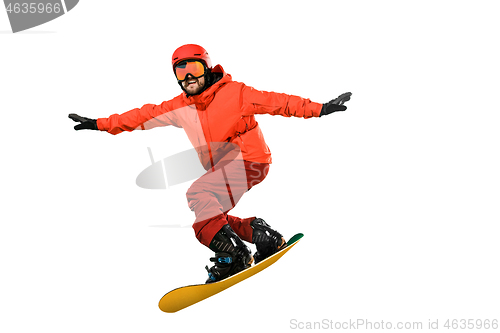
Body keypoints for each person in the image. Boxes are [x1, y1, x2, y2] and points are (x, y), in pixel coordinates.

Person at [69, 44, 351, 283]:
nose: (188, 75)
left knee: (198, 194)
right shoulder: (180, 107)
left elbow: (278, 102)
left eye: (193, 67)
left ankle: (233, 256)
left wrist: (320, 109)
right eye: (180, 70)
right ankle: (262, 235)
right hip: (227, 170)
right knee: (212, 215)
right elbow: (142, 116)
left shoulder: (235, 93)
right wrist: (99, 124)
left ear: (206, 67)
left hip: (249, 159)